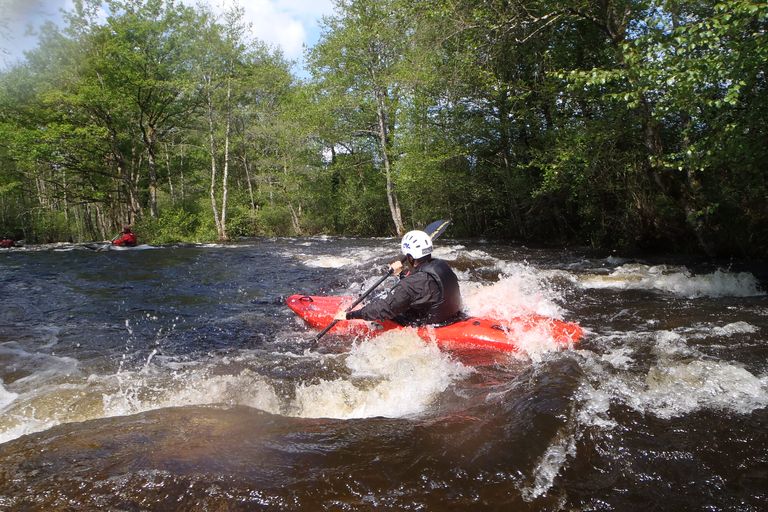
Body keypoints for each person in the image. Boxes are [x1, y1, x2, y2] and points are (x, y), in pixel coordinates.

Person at [334, 230, 462, 326]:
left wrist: (350, 315)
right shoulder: (441, 265)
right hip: (450, 317)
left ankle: (362, 308)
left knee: (375, 297)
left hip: (428, 324)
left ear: (410, 257)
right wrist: (401, 274)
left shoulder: (410, 285)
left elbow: (384, 310)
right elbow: (420, 290)